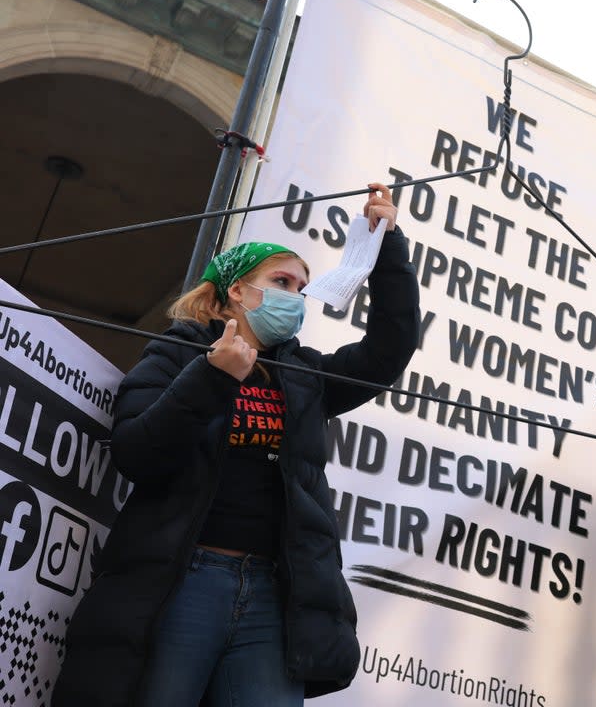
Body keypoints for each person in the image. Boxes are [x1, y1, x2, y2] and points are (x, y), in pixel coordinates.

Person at [52, 184, 420, 707]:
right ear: (236, 294)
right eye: (281, 281)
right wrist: (212, 379)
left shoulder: (305, 373)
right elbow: (135, 453)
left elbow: (389, 350)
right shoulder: (176, 355)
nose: (296, 294)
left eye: (302, 285)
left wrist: (387, 248)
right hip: (183, 584)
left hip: (273, 596)